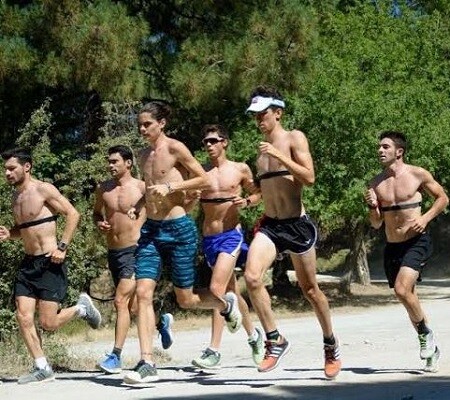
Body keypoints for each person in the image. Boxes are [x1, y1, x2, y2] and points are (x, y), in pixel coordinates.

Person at [123, 101, 242, 384]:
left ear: (161, 123)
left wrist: (173, 187)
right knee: (142, 292)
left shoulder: (175, 148)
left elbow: (202, 179)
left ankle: (225, 306)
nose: (142, 129)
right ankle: (146, 362)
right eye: (139, 125)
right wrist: (139, 204)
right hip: (151, 231)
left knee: (185, 299)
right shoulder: (142, 155)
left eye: (147, 124)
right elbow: (151, 188)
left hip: (179, 230)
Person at [243, 86, 341, 378]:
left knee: (310, 290)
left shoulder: (293, 138)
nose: (259, 120)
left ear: (278, 113)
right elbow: (267, 190)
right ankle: (275, 340)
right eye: (255, 115)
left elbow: (309, 177)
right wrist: (250, 199)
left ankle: (330, 345)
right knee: (250, 277)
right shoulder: (260, 156)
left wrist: (279, 155)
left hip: (296, 225)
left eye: (263, 114)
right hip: (271, 225)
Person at [0, 148, 101, 384]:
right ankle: (42, 367)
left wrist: (62, 247)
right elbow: (26, 231)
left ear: (27, 167)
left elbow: (73, 214)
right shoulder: (15, 198)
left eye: (11, 168)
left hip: (50, 261)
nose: (7, 173)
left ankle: (81, 309)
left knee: (48, 323)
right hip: (28, 264)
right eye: (5, 169)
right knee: (22, 316)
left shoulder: (43, 189)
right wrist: (10, 234)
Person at [364, 131, 448, 373]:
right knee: (408, 297)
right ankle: (430, 346)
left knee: (402, 289)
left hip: (416, 241)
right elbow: (376, 223)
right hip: (393, 245)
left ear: (398, 151)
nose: (380, 150)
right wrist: (372, 206)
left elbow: (443, 198)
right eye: (379, 147)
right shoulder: (376, 183)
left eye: (385, 147)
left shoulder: (417, 174)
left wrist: (426, 218)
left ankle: (424, 334)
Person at [93, 145, 174, 374]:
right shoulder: (104, 189)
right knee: (135, 307)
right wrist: (100, 222)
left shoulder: (141, 187)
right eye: (109, 161)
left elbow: (161, 213)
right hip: (114, 251)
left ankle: (115, 355)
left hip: (137, 249)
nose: (110, 165)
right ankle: (161, 323)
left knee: (120, 301)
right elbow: (96, 213)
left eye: (115, 161)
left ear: (128, 163)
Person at [190, 124, 264, 369]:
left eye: (213, 140)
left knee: (216, 290)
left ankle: (214, 350)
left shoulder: (240, 169)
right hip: (209, 239)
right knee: (231, 293)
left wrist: (247, 201)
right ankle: (254, 336)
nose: (208, 145)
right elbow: (189, 201)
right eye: (205, 142)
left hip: (231, 236)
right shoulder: (200, 172)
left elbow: (257, 193)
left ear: (225, 142)